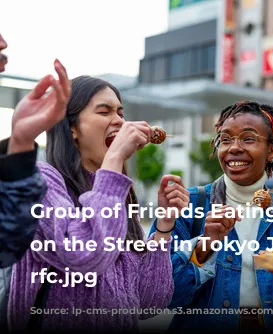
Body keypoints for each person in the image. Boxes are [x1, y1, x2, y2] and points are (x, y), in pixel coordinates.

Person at [8, 76, 181, 332]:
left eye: (121, 113)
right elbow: (85, 256)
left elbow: (149, 302)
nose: (119, 121)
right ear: (71, 129)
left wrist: (165, 225)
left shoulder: (116, 196)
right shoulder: (42, 181)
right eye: (104, 111)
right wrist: (114, 163)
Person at [149, 101, 273, 332]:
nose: (234, 147)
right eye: (226, 139)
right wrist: (205, 246)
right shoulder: (186, 205)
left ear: (271, 151)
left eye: (248, 139)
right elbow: (159, 296)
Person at [0, 32, 71, 331]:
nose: (4, 44)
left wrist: (21, 142)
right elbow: (84, 254)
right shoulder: (51, 180)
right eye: (105, 111)